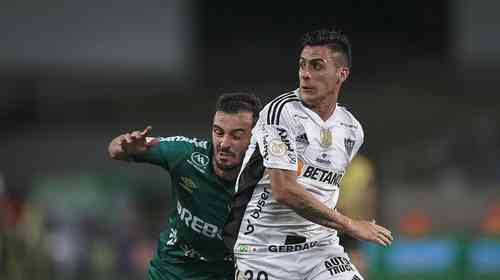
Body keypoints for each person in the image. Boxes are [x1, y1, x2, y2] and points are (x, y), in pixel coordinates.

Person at [224, 29, 393, 280]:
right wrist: (351, 225)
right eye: (302, 65)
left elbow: (325, 193)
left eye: (316, 66)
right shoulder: (280, 113)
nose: (305, 74)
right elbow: (284, 191)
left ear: (341, 74)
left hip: (321, 250)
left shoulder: (352, 130)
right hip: (264, 251)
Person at [108, 92, 262, 280]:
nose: (224, 143)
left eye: (236, 136)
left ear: (255, 138)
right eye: (218, 132)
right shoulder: (184, 154)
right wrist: (124, 146)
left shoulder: (268, 177)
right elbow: (115, 149)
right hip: (172, 272)